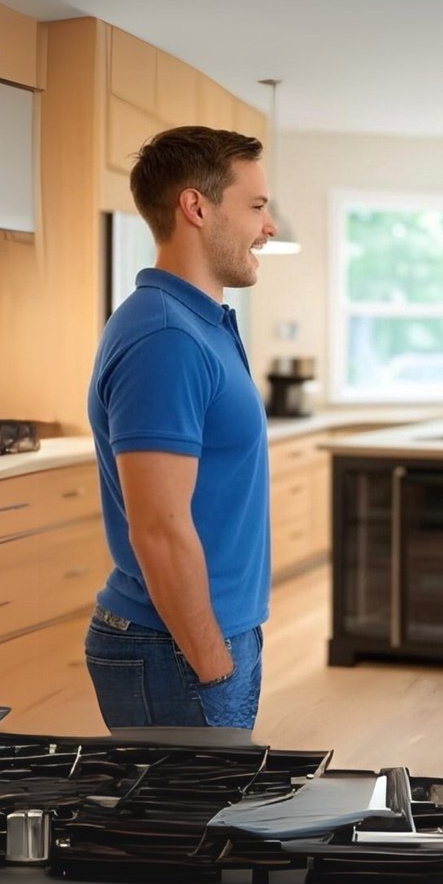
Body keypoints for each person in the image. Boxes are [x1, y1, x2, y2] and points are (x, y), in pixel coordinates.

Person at [84, 126, 277, 730]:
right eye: (256, 207)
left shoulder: (201, 323)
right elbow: (160, 529)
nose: (268, 228)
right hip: (177, 647)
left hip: (200, 636)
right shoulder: (166, 338)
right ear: (196, 207)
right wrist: (213, 663)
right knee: (192, 826)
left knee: (204, 821)